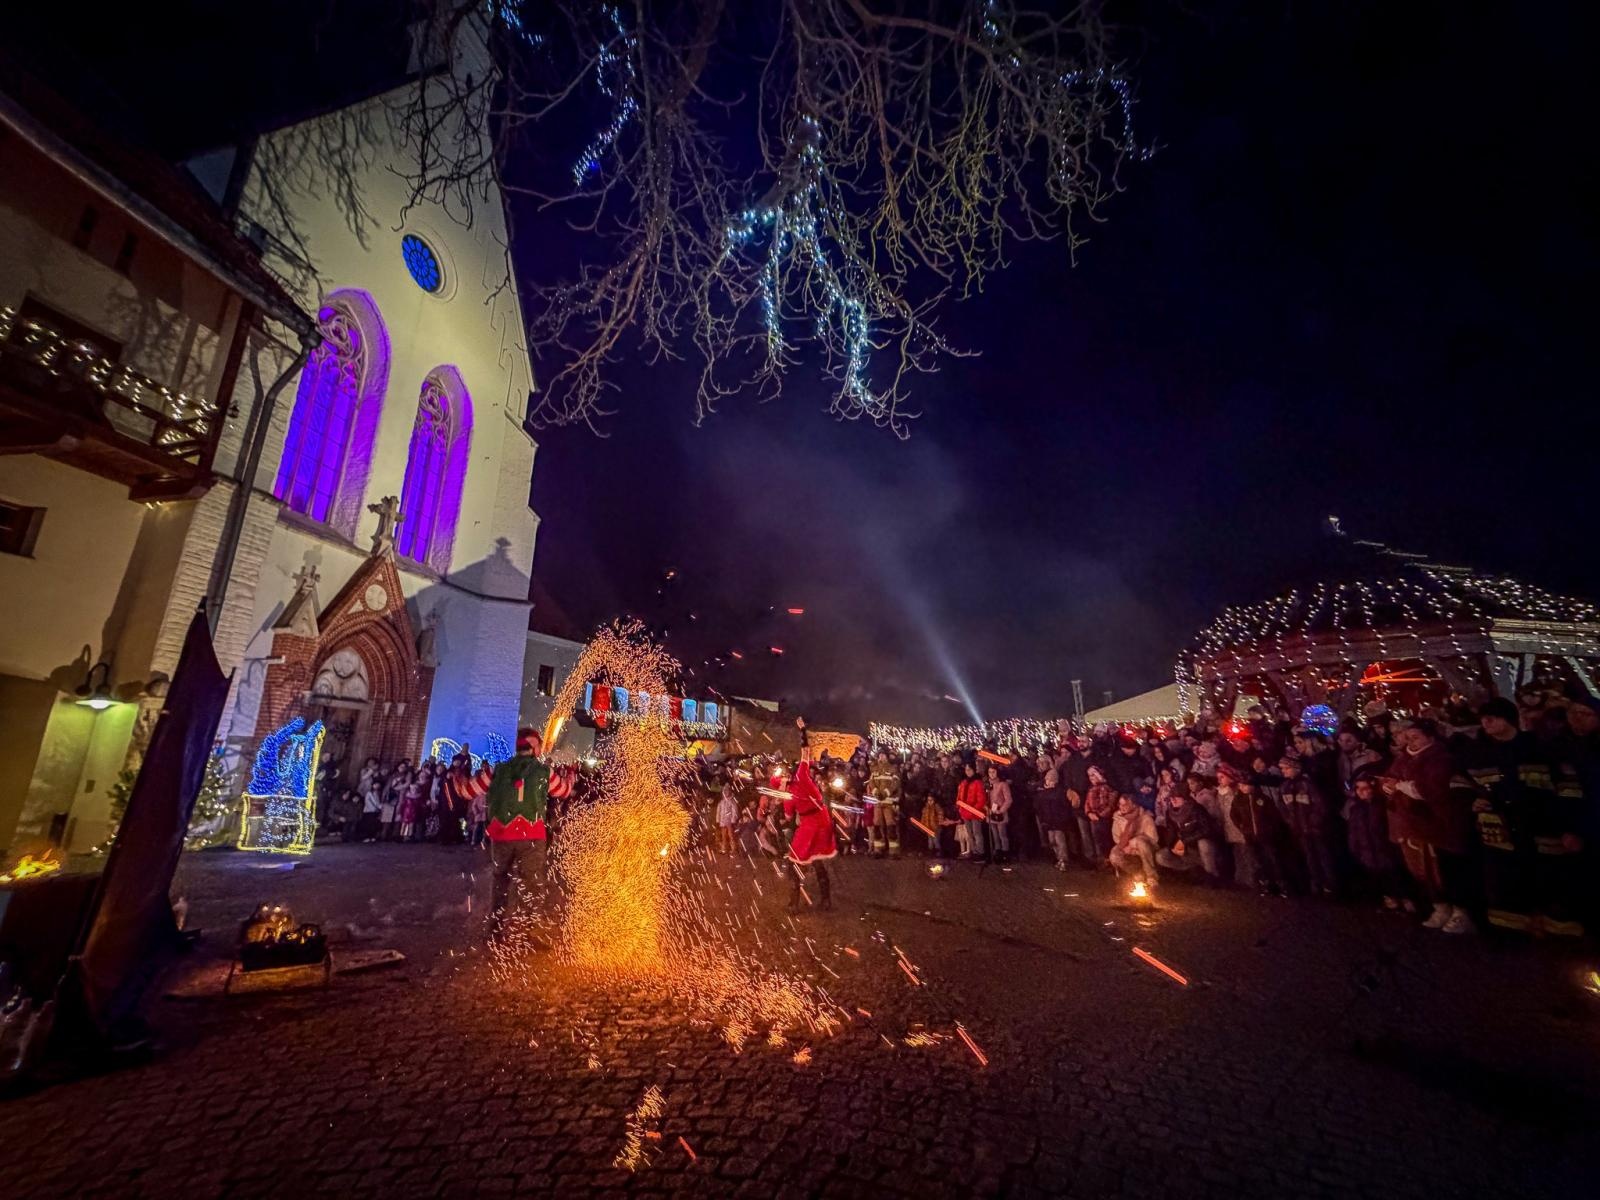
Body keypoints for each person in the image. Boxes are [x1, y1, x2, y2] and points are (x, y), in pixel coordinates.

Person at [462, 727, 572, 943]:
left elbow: (467, 792)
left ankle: (495, 930)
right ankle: (531, 930)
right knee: (532, 882)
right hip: (531, 835)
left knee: (500, 880)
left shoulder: (497, 770)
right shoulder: (543, 772)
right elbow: (564, 791)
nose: (540, 749)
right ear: (532, 745)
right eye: (539, 744)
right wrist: (570, 777)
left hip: (501, 835)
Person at [1386, 717, 1474, 933]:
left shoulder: (1440, 758)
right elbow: (1391, 777)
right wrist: (1388, 786)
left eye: (1415, 737)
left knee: (1445, 869)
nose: (1410, 742)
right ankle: (1440, 906)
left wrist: (1404, 787)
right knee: (1423, 870)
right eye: (1407, 738)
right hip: (1413, 824)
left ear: (1430, 737)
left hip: (1438, 824)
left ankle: (1461, 911)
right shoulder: (1403, 759)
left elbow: (1435, 788)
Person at [784, 760, 838, 911]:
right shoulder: (814, 785)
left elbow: (788, 817)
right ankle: (826, 901)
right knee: (818, 861)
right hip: (823, 824)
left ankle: (793, 905)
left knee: (793, 864)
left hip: (810, 828)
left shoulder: (793, 791)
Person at [1278, 755, 1336, 896]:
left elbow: (1320, 806)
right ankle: (1317, 883)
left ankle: (1331, 885)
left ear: (1296, 769)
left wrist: (1313, 822)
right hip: (1299, 830)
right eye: (1282, 769)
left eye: (1286, 768)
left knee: (1323, 856)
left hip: (1314, 829)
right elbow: (1283, 808)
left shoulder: (1308, 784)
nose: (1283, 772)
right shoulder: (1284, 787)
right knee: (1310, 857)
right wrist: (1291, 821)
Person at [1156, 788, 1222, 881]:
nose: (1173, 800)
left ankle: (1211, 875)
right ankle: (1191, 871)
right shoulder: (1170, 813)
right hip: (1184, 848)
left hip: (1197, 846)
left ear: (1185, 798)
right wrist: (1172, 846)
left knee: (1204, 843)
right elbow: (1171, 832)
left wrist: (1185, 840)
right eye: (1171, 798)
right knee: (1161, 856)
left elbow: (1206, 829)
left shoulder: (1196, 809)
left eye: (1176, 798)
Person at [1108, 793, 1159, 887]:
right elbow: (1116, 838)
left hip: (1144, 850)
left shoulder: (1145, 818)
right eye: (1120, 804)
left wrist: (1133, 843)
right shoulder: (1118, 818)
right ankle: (1138, 873)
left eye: (1125, 804)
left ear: (1134, 805)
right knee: (1114, 855)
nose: (1121, 807)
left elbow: (1153, 839)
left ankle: (1151, 875)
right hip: (1126, 848)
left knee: (1140, 842)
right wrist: (1125, 845)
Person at [1035, 765, 1071, 869]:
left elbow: (1064, 807)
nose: (1048, 782)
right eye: (1047, 780)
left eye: (1051, 780)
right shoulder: (1043, 793)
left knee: (1059, 839)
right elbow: (1040, 808)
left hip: (1058, 821)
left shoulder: (1059, 792)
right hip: (1048, 821)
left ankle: (1063, 859)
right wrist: (1042, 820)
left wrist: (1064, 819)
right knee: (1052, 841)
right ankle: (1058, 856)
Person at [868, 751, 902, 857]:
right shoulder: (875, 769)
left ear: (887, 757)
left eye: (883, 755)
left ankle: (894, 851)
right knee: (877, 826)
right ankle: (878, 849)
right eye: (880, 755)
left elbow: (896, 782)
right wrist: (876, 792)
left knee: (890, 826)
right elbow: (871, 782)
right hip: (878, 802)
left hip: (888, 801)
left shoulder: (892, 768)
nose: (881, 756)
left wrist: (886, 792)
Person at [956, 761, 988, 860]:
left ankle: (980, 852)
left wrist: (972, 809)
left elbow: (981, 799)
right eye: (966, 770)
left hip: (974, 812)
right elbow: (959, 796)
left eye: (969, 770)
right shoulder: (964, 782)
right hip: (966, 812)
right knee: (970, 833)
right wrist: (959, 806)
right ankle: (974, 851)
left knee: (977, 833)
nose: (967, 772)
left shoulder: (978, 783)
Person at [985, 764, 1013, 861]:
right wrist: (986, 808)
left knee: (1002, 834)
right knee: (995, 834)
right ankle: (997, 851)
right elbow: (984, 798)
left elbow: (1008, 799)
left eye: (993, 772)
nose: (991, 774)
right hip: (991, 812)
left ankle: (1005, 852)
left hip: (1000, 812)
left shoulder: (1003, 784)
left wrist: (1001, 810)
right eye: (989, 772)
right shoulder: (987, 784)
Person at [716, 781, 739, 854]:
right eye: (724, 791)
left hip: (729, 822)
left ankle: (733, 849)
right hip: (723, 822)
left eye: (727, 791)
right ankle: (724, 848)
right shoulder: (721, 802)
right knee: (723, 836)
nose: (726, 792)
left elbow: (735, 811)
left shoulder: (732, 802)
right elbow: (718, 811)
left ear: (730, 791)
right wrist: (718, 819)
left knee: (731, 835)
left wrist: (733, 820)